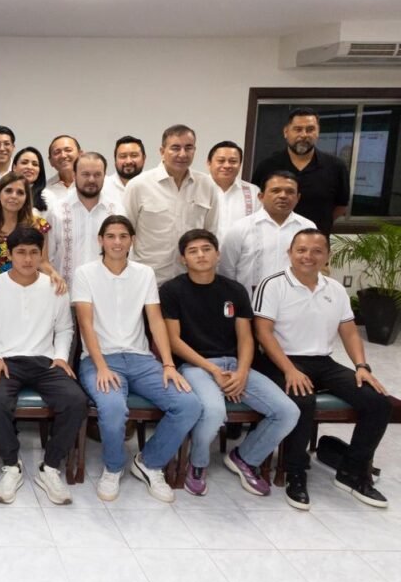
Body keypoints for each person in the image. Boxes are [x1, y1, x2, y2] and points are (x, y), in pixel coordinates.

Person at [253, 229, 392, 510]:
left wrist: (361, 366)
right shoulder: (273, 284)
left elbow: (349, 332)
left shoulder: (335, 289)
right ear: (290, 253)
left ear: (327, 255)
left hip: (323, 362)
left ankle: (352, 470)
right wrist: (290, 370)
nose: (308, 256)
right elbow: (263, 333)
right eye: (301, 250)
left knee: (378, 401)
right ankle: (295, 472)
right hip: (280, 360)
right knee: (303, 400)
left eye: (317, 251)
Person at [71, 215, 202, 503]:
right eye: (111, 236)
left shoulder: (144, 273)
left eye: (123, 236)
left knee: (188, 404)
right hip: (100, 359)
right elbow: (85, 324)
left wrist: (168, 364)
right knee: (113, 408)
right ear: (100, 240)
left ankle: (149, 462)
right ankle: (113, 467)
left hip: (141, 359)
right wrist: (101, 367)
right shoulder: (85, 273)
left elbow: (155, 321)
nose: (117, 242)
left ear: (132, 240)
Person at [160, 229, 299, 497]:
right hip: (194, 366)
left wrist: (242, 372)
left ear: (218, 254)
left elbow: (246, 338)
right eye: (193, 251)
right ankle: (197, 463)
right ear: (183, 259)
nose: (201, 255)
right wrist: (213, 370)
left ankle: (245, 458)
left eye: (206, 249)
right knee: (213, 411)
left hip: (234, 365)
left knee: (287, 411)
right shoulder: (172, 290)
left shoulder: (234, 290)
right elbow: (174, 341)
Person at [0, 226, 88, 505]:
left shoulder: (55, 287)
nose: (27, 259)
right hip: (5, 360)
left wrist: (61, 357)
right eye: (21, 252)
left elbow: (65, 329)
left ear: (40, 255)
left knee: (76, 400)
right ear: (10, 254)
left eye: (34, 252)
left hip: (45, 361)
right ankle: (12, 465)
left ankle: (50, 467)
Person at [124, 124, 220, 285]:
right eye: (175, 148)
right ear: (162, 151)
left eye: (188, 148)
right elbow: (124, 234)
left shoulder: (206, 185)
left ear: (194, 150)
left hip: (191, 281)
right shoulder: (139, 185)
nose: (182, 154)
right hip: (149, 280)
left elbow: (211, 234)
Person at [251, 107, 350, 236]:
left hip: (315, 241)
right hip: (272, 238)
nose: (304, 135)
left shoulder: (336, 167)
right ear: (286, 132)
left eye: (310, 129)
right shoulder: (267, 166)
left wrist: (321, 223)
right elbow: (256, 202)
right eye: (298, 129)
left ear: (318, 132)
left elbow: (341, 206)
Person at [218, 171, 316, 290]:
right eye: (275, 191)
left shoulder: (307, 228)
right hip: (249, 299)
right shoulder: (240, 228)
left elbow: (312, 266)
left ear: (298, 198)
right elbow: (226, 270)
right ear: (261, 197)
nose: (283, 196)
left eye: (290, 192)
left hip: (294, 298)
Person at [0, 172, 62, 293]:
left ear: (26, 198)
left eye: (20, 192)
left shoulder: (38, 226)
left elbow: (42, 262)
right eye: (8, 191)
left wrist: (53, 274)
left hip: (29, 290)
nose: (14, 196)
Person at [47, 152, 125, 287]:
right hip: (66, 295)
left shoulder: (117, 211)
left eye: (97, 174)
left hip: (107, 293)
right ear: (74, 175)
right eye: (85, 174)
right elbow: (47, 258)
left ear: (104, 176)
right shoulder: (57, 211)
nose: (91, 180)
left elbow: (126, 256)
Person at [207, 140, 260, 241]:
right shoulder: (198, 188)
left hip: (241, 250)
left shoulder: (253, 192)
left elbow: (258, 228)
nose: (227, 165)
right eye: (221, 161)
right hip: (205, 250)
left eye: (233, 161)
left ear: (240, 164)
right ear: (209, 163)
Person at [12, 146, 49, 214]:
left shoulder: (48, 196)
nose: (29, 167)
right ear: (14, 167)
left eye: (35, 164)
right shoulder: (4, 192)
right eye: (24, 163)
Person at [45, 135, 80, 203]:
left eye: (68, 150)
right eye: (57, 152)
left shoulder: (97, 185)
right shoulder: (44, 190)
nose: (63, 155)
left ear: (80, 154)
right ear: (50, 161)